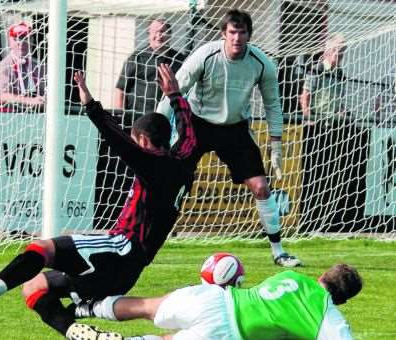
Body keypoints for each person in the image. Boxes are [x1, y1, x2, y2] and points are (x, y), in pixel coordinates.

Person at [0, 63, 197, 340]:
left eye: (136, 141)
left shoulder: (154, 164)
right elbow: (189, 132)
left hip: (120, 249)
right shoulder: (184, 159)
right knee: (34, 287)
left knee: (43, 249)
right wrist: (176, 97)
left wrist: (91, 106)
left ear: (142, 140)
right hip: (126, 270)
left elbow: (117, 140)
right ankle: (75, 332)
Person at [157, 9, 300, 267]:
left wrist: (276, 148)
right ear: (224, 34)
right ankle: (154, 237)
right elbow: (173, 90)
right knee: (174, 182)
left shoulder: (262, 63)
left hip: (235, 129)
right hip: (197, 124)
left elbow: (273, 105)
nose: (236, 37)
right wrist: (157, 128)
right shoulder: (205, 55)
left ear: (248, 35)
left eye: (242, 32)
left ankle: (278, 251)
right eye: (232, 32)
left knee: (261, 187)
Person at [69, 264, 375, 340]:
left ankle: (87, 306)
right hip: (229, 336)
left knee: (147, 306)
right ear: (343, 300)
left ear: (322, 274)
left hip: (217, 298)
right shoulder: (326, 313)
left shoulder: (291, 276)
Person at [298, 34, 363, 232]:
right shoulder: (316, 70)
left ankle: (327, 221)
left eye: (342, 51)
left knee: (329, 176)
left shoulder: (340, 74)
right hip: (315, 128)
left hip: (333, 128)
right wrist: (309, 118)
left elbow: (339, 101)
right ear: (327, 51)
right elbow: (304, 97)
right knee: (312, 174)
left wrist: (344, 114)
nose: (340, 55)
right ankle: (308, 221)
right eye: (337, 50)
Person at [115, 18, 186, 116]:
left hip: (167, 117)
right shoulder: (137, 57)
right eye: (155, 32)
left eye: (162, 31)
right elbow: (121, 89)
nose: (159, 35)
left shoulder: (178, 59)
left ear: (170, 35)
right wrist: (120, 116)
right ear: (149, 34)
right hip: (138, 118)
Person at [0, 21, 46, 112]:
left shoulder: (39, 66)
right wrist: (29, 101)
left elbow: (45, 91)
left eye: (26, 38)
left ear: (32, 41)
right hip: (8, 118)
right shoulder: (4, 66)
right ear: (9, 42)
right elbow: (2, 96)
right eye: (16, 38)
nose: (21, 43)